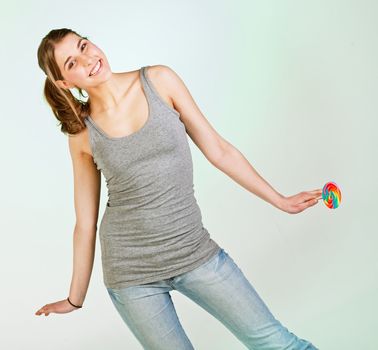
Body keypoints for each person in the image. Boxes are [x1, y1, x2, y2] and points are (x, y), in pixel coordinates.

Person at [34, 28, 321, 350]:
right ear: (65, 84)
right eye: (72, 63)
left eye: (84, 46)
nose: (88, 59)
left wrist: (279, 200)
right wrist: (75, 298)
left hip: (193, 252)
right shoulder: (82, 135)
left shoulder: (159, 80)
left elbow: (218, 150)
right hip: (131, 274)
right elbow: (85, 224)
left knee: (278, 344)